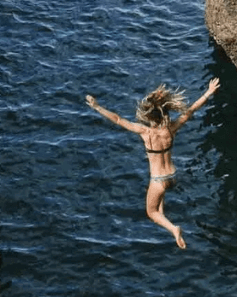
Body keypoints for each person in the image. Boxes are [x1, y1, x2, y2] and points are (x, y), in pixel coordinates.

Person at [85, 77, 220, 249]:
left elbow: (118, 119)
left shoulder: (145, 132)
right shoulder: (171, 129)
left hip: (158, 180)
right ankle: (165, 219)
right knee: (159, 209)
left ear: (149, 116)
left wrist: (97, 107)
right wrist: (208, 91)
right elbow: (190, 111)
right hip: (173, 176)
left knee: (151, 212)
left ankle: (174, 229)